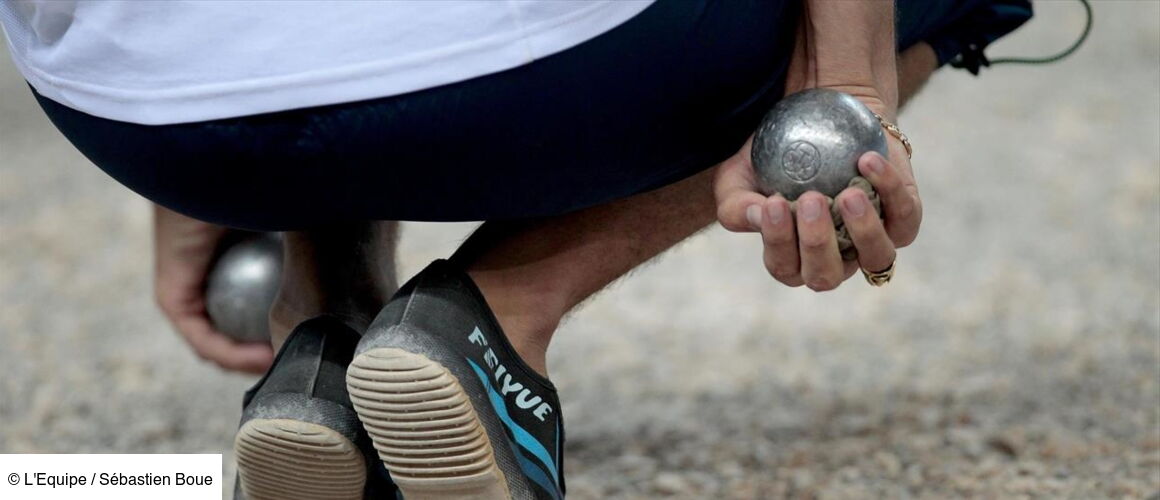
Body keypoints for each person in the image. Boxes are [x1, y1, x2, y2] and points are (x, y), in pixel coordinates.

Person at [1, 1, 1031, 498]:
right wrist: (840, 90)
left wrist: (179, 131)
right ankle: (491, 322)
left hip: (132, 109)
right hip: (540, 72)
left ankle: (326, 333)